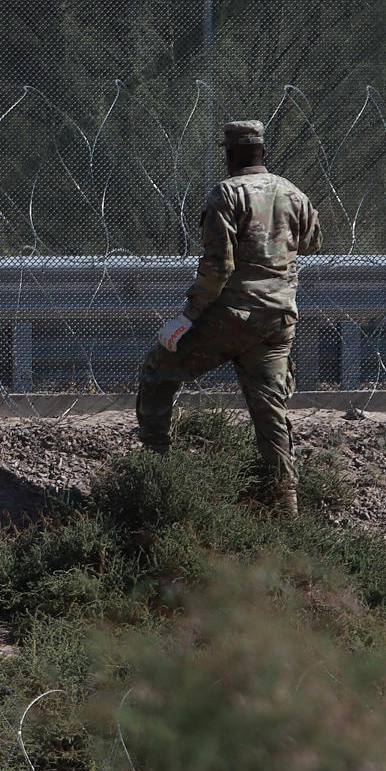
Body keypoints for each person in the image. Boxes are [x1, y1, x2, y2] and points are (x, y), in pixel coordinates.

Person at [134, 119, 321, 515]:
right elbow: (311, 241)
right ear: (263, 152)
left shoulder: (227, 193)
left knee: (158, 371)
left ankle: (155, 478)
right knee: (269, 407)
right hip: (277, 319)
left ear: (229, 154)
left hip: (232, 316)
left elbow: (219, 266)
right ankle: (285, 500)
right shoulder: (293, 193)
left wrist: (188, 316)